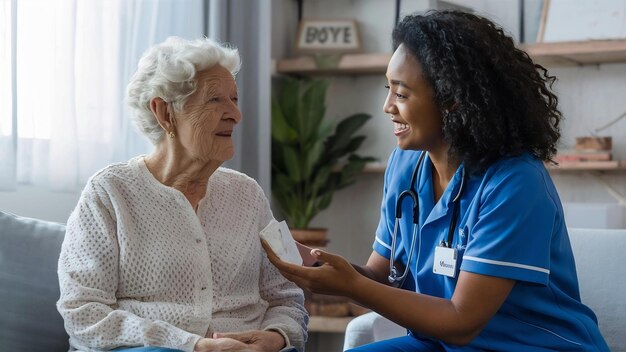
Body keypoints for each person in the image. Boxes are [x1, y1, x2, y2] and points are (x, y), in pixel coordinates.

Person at [263, 10, 610, 351]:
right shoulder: (406, 165)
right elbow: (381, 276)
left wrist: (351, 286)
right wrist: (321, 264)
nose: (387, 106)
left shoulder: (515, 183)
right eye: (388, 89)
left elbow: (461, 322)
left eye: (401, 94)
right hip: (441, 344)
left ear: (452, 100)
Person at [57, 37, 307, 352]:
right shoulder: (109, 193)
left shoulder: (248, 193)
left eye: (235, 98)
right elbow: (83, 312)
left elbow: (286, 295)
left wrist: (275, 336)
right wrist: (193, 346)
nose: (235, 114)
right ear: (164, 113)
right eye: (215, 100)